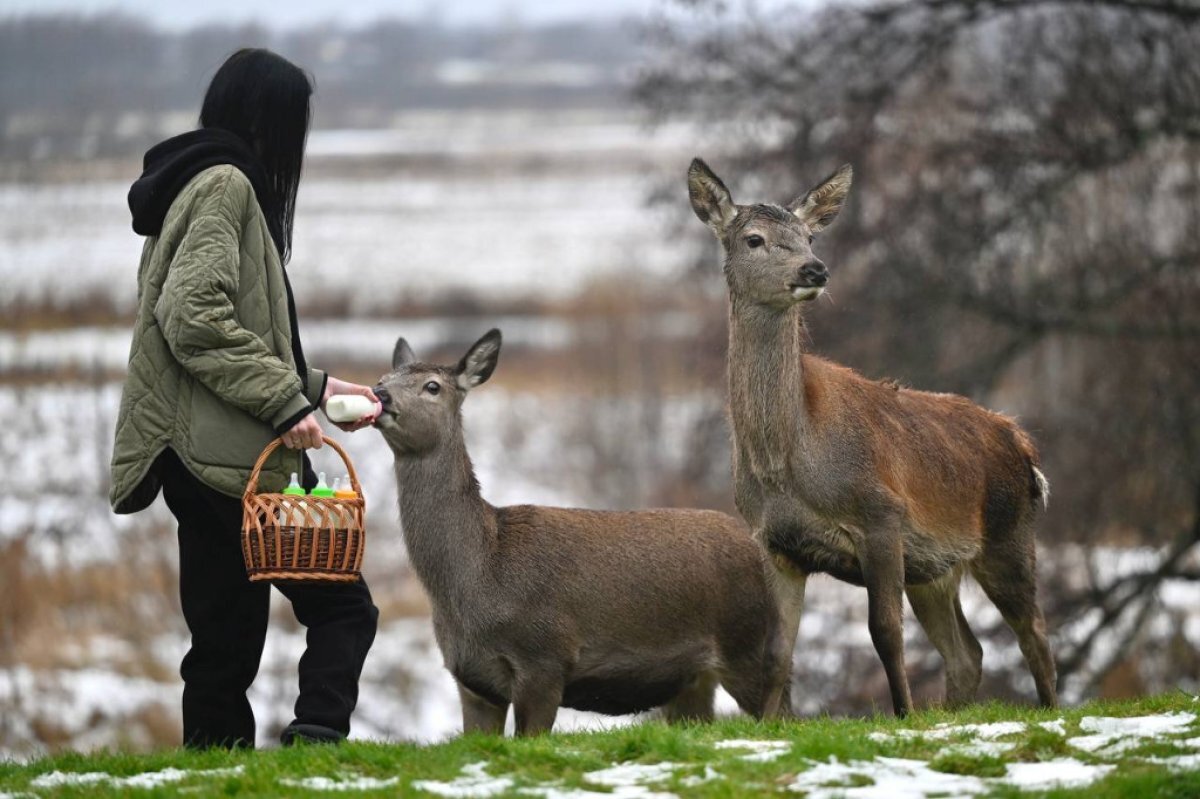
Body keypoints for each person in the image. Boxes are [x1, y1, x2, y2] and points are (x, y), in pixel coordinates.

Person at [109, 48, 379, 749]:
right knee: (345, 607)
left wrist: (315, 387)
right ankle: (316, 740)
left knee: (221, 650)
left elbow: (231, 324)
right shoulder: (227, 185)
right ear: (269, 121)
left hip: (194, 458)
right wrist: (287, 405)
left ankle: (216, 771)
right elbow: (194, 315)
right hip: (226, 463)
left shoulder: (196, 183)